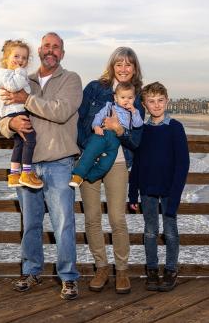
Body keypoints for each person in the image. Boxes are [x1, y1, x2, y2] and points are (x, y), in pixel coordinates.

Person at [0, 32, 82, 300]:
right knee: (31, 223)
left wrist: (26, 99)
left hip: (59, 162)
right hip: (28, 167)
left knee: (63, 224)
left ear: (62, 53)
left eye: (56, 47)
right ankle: (32, 271)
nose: (51, 51)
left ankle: (68, 277)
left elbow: (60, 111)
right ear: (40, 50)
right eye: (47, 46)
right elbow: (2, 114)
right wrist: (10, 124)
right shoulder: (23, 77)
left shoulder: (71, 79)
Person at [77, 47, 145, 294]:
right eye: (119, 64)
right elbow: (79, 119)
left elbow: (136, 141)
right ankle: (102, 267)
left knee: (117, 218)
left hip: (118, 163)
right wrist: (88, 148)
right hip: (91, 160)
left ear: (135, 68)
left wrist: (119, 130)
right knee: (92, 218)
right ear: (112, 66)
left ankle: (123, 271)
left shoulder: (138, 97)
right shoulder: (95, 88)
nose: (124, 68)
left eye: (128, 64)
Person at [129, 82, 190, 292]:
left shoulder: (175, 128)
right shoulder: (142, 130)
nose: (156, 105)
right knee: (150, 232)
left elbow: (183, 164)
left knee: (171, 232)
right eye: (151, 101)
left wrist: (175, 196)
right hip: (147, 190)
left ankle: (171, 269)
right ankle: (152, 270)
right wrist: (132, 194)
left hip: (169, 190)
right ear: (144, 104)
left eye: (160, 100)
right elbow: (137, 164)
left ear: (167, 101)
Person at [70, 82, 143, 187]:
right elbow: (98, 117)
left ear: (134, 99)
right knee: (90, 153)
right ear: (115, 98)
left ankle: (87, 176)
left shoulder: (133, 113)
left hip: (115, 142)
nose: (126, 100)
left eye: (130, 98)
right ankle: (78, 175)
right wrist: (95, 126)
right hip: (102, 135)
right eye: (123, 97)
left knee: (106, 164)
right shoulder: (109, 107)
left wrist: (135, 111)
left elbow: (138, 124)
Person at [0, 39, 43, 189]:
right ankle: (26, 173)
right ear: (6, 58)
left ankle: (14, 174)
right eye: (16, 56)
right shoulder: (4, 74)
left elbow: (25, 92)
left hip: (17, 111)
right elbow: (14, 86)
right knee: (30, 139)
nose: (20, 60)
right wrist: (21, 72)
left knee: (19, 143)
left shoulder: (16, 74)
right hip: (14, 113)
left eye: (24, 58)